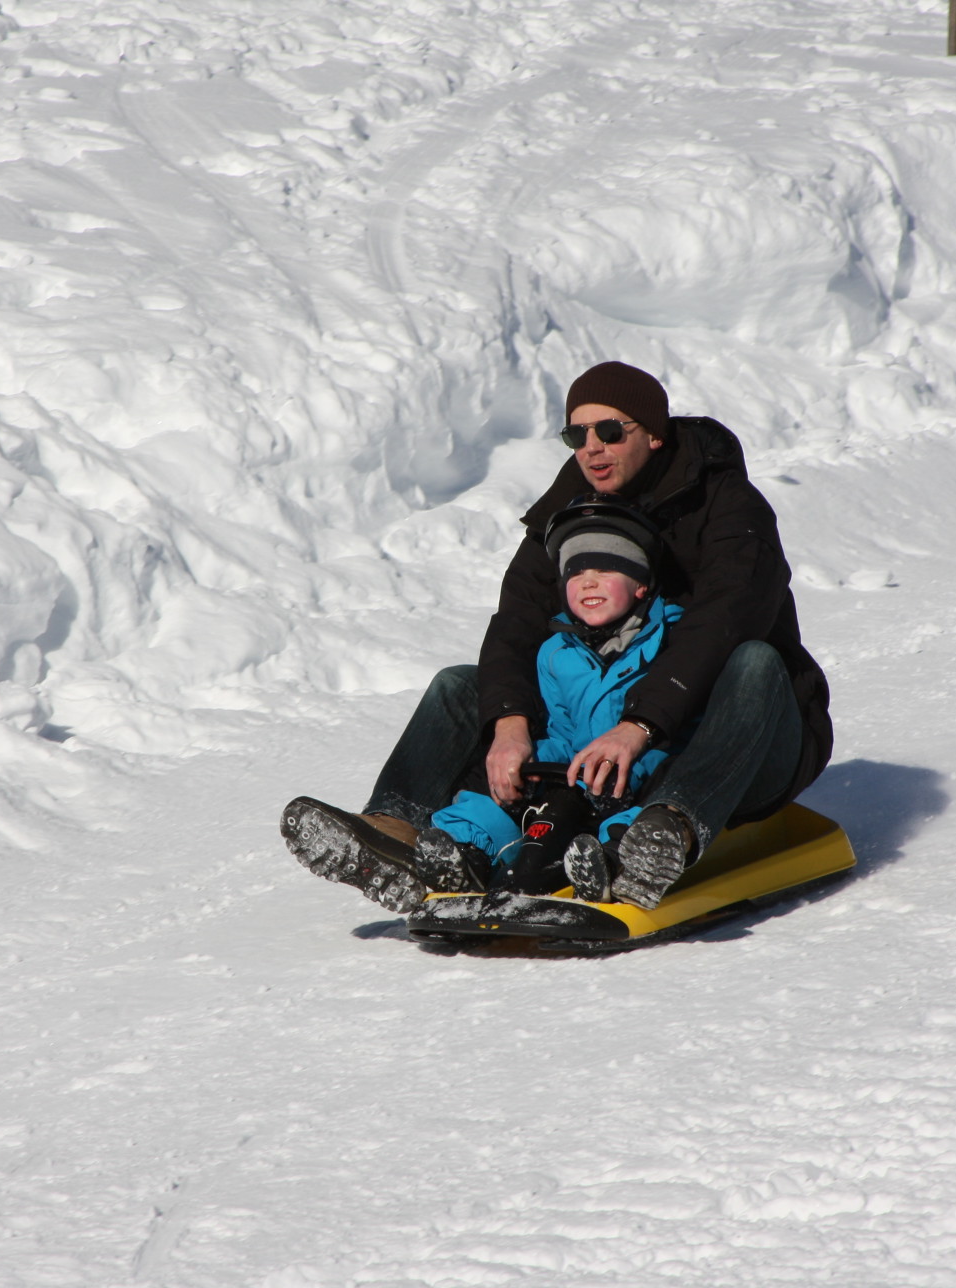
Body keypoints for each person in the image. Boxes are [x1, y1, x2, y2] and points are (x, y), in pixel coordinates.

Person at [281, 360, 831, 913]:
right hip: (609, 727)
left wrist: (638, 726)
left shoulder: (730, 506)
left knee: (754, 661)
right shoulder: (572, 507)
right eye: (578, 434)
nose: (592, 447)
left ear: (654, 433)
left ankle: (662, 836)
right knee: (460, 687)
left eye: (612, 430)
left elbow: (724, 623)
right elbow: (517, 622)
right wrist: (509, 724)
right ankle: (393, 832)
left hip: (752, 740)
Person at [412, 494, 680, 901]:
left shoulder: (670, 644)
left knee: (643, 811)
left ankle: (615, 862)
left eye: (606, 568)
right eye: (576, 572)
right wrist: (537, 764)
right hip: (574, 779)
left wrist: (622, 771)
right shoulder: (556, 653)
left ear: (640, 584)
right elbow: (562, 728)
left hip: (636, 778)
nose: (588, 580)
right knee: (506, 794)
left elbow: (679, 729)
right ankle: (465, 850)